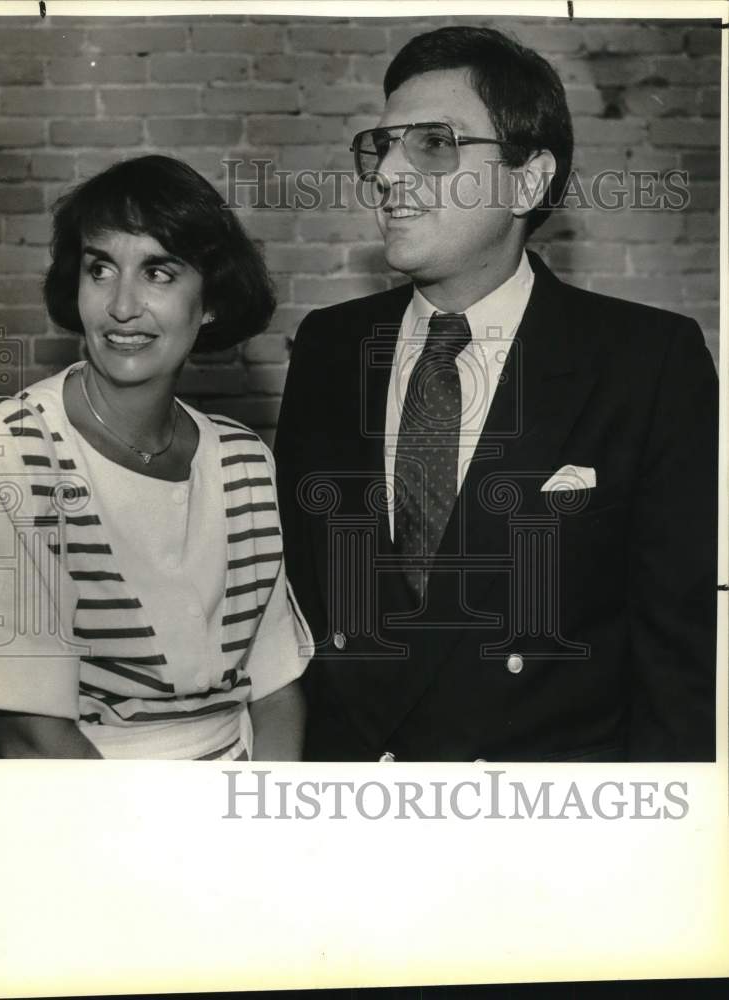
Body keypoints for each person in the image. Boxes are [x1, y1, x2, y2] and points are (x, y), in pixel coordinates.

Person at [274, 26, 718, 762]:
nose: (388, 173)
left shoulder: (647, 362)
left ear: (528, 181)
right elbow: (300, 617)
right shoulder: (328, 345)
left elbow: (681, 666)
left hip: (545, 815)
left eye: (434, 144)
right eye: (381, 146)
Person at [0, 154, 310, 760]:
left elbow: (277, 692)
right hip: (86, 801)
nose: (121, 306)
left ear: (211, 300)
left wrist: (263, 811)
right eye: (100, 269)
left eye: (158, 273)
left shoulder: (245, 460)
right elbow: (33, 736)